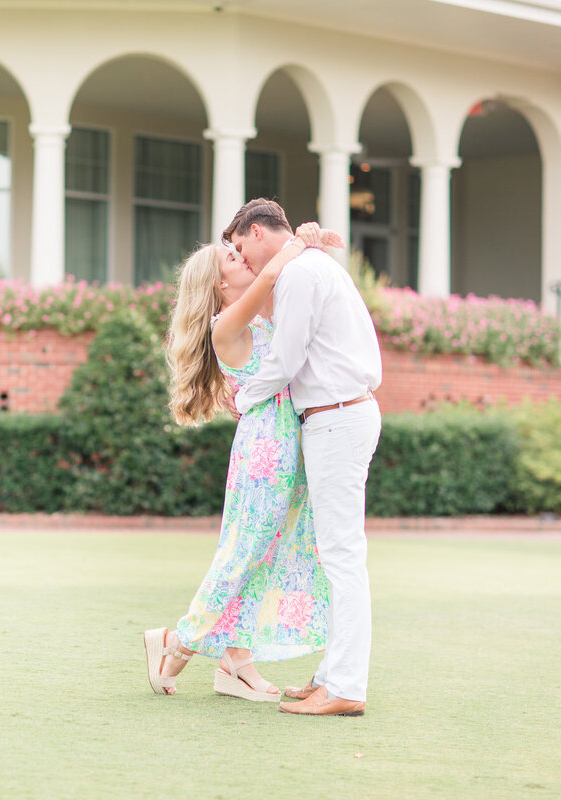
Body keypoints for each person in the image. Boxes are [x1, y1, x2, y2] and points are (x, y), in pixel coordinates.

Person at [144, 222, 338, 702]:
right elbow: (272, 274)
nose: (242, 258)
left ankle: (236, 660)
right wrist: (297, 241)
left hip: (289, 443)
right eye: (231, 257)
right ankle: (176, 643)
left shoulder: (260, 321)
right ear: (218, 284)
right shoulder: (225, 325)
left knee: (266, 555)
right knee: (244, 552)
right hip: (264, 451)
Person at [224, 198, 382, 718]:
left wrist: (244, 400)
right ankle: (329, 678)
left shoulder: (300, 274)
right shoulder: (309, 266)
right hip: (336, 415)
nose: (242, 258)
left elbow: (285, 359)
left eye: (240, 245)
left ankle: (344, 687)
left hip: (336, 416)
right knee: (334, 554)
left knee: (341, 557)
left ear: (256, 231)